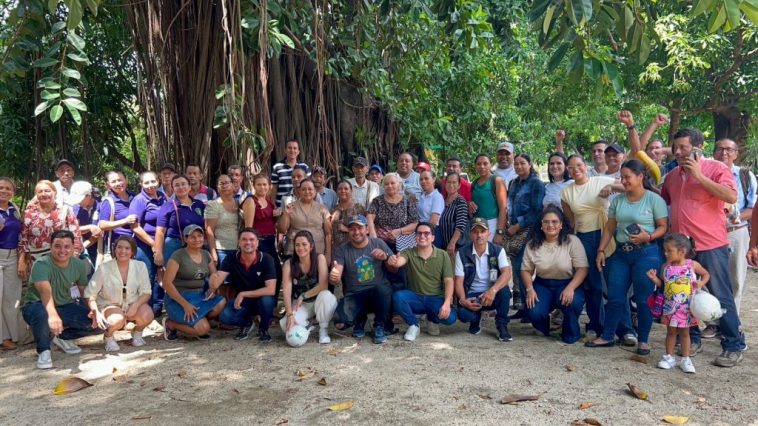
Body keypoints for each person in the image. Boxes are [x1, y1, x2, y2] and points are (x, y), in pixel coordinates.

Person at [661, 127, 746, 367]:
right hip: (681, 249)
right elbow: (664, 198)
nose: (677, 152)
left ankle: (733, 344)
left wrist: (699, 175)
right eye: (675, 147)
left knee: (721, 295)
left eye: (683, 148)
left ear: (697, 148)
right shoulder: (672, 176)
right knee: (683, 294)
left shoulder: (717, 169)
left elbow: (730, 197)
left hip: (711, 244)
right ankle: (692, 339)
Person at [587, 160, 668, 355]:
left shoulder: (654, 199)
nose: (623, 181)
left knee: (643, 299)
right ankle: (607, 335)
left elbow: (663, 227)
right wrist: (601, 250)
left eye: (627, 177)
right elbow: (610, 228)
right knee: (615, 296)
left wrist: (647, 236)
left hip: (647, 253)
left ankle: (644, 340)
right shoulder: (618, 201)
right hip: (622, 253)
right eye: (621, 177)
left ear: (640, 177)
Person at [561, 155, 627, 340]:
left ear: (585, 166)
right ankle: (597, 325)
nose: (576, 170)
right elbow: (571, 220)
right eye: (571, 167)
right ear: (568, 169)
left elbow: (629, 186)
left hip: (606, 232)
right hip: (584, 237)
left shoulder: (601, 180)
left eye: (579, 165)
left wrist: (611, 186)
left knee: (615, 282)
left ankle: (625, 329)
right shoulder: (566, 192)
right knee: (593, 285)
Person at [21, 230, 100, 369]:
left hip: (64, 305)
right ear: (50, 246)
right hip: (37, 305)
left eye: (67, 246)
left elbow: (83, 290)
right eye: (57, 246)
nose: (62, 250)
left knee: (97, 324)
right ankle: (44, 350)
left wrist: (93, 310)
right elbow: (45, 291)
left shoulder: (79, 264)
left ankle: (61, 337)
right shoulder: (41, 264)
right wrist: (53, 316)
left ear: (73, 247)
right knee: (43, 315)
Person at [521, 207, 588, 344]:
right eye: (546, 222)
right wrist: (530, 289)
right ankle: (543, 325)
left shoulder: (572, 241)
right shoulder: (532, 244)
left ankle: (569, 330)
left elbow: (582, 269)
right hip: (543, 284)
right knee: (533, 310)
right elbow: (526, 270)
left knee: (572, 302)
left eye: (554, 221)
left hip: (567, 283)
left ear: (561, 224)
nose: (550, 225)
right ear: (541, 225)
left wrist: (570, 288)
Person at [647, 234, 710, 373]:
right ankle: (668, 357)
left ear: (682, 251)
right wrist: (654, 279)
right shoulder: (665, 267)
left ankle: (686, 359)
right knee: (670, 332)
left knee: (685, 333)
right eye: (665, 250)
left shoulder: (692, 265)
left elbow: (706, 274)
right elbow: (664, 286)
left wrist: (700, 283)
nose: (666, 253)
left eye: (669, 250)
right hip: (670, 308)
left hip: (686, 308)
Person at [329, 214, 394, 344]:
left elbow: (394, 269)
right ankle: (360, 319)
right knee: (339, 324)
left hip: (377, 292)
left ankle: (379, 325)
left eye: (360, 228)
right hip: (356, 294)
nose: (356, 232)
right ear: (348, 231)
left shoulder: (378, 243)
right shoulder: (342, 249)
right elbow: (337, 272)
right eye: (352, 229)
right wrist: (335, 277)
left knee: (383, 289)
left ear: (367, 229)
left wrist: (386, 258)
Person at [387, 222, 457, 341]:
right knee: (398, 297)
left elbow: (449, 281)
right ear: (415, 237)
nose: (422, 236)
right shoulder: (408, 252)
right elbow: (399, 262)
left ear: (433, 238)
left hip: (435, 298)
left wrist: (446, 302)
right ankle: (414, 325)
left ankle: (432, 319)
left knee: (450, 318)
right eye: (419, 233)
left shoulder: (443, 255)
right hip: (415, 297)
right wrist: (393, 260)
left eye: (426, 233)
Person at [84, 236, 154, 351]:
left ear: (132, 252)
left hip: (132, 303)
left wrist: (135, 305)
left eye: (127, 248)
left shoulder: (140, 266)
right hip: (109, 305)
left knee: (147, 315)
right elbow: (90, 294)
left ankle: (137, 332)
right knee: (116, 319)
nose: (123, 251)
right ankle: (108, 337)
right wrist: (95, 312)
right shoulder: (103, 268)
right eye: (119, 247)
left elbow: (146, 292)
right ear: (114, 250)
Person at [713, 138, 755, 318]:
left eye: (729, 150)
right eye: (720, 149)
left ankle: (732, 321)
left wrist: (734, 218)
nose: (724, 153)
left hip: (737, 233)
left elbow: (753, 209)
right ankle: (713, 322)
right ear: (714, 152)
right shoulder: (706, 174)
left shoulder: (746, 175)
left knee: (736, 279)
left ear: (736, 154)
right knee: (712, 278)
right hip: (710, 233)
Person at [161, 225, 226, 340]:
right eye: (192, 237)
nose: (197, 240)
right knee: (203, 330)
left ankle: (197, 320)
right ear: (185, 239)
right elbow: (167, 283)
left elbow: (214, 275)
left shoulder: (206, 254)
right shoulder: (178, 255)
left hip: (199, 295)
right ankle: (171, 324)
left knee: (221, 302)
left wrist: (212, 289)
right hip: (179, 298)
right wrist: (185, 304)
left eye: (200, 236)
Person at [212, 228, 277, 342]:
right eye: (244, 239)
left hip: (261, 298)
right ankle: (247, 323)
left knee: (267, 301)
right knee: (225, 317)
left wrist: (243, 293)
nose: (248, 243)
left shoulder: (266, 259)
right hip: (243, 301)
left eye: (252, 240)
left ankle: (263, 329)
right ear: (239, 242)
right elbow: (217, 280)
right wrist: (213, 278)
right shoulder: (232, 258)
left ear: (257, 243)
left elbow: (271, 289)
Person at [454, 218, 513, 341]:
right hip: (473, 294)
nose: (479, 235)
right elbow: (459, 280)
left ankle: (501, 324)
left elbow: (506, 273)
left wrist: (493, 290)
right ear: (470, 234)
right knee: (463, 314)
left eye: (482, 231)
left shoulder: (497, 250)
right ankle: (475, 320)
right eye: (475, 232)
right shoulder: (462, 252)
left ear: (488, 234)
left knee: (505, 291)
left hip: (492, 293)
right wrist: (463, 299)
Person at [18, 180, 83, 282]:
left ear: (55, 193)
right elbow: (23, 238)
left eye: (47, 191)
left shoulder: (64, 211)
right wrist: (22, 260)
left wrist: (73, 259)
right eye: (40, 191)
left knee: (60, 292)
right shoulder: (29, 213)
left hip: (62, 258)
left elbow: (76, 237)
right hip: (36, 260)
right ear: (36, 195)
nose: (44, 194)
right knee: (39, 293)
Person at [280, 230, 337, 345]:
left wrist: (303, 295)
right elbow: (286, 291)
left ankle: (323, 330)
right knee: (286, 325)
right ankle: (307, 325)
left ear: (311, 246)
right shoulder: (289, 264)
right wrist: (290, 313)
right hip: (301, 304)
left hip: (318, 300)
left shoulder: (319, 258)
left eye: (304, 244)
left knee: (326, 295)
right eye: (297, 245)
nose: (300, 248)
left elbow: (323, 286)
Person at [506, 154, 545, 313]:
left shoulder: (536, 183)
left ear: (530, 164)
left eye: (522, 163)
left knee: (521, 266)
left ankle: (530, 307)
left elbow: (537, 210)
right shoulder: (513, 183)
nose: (519, 166)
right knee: (517, 268)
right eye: (516, 164)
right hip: (513, 229)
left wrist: (518, 225)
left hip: (529, 229)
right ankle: (524, 308)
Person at [129, 171, 166, 314]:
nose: (150, 185)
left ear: (158, 181)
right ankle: (144, 311)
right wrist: (153, 244)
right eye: (146, 182)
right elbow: (135, 227)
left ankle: (156, 309)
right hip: (144, 245)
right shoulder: (139, 200)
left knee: (161, 277)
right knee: (147, 278)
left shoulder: (162, 198)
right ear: (141, 184)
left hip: (161, 242)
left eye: (153, 181)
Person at [154, 175, 206, 272]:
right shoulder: (167, 207)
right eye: (177, 185)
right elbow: (160, 232)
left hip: (196, 244)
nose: (181, 187)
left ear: (189, 186)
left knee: (194, 274)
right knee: (172, 276)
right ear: (173, 189)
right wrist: (158, 253)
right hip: (175, 245)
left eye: (183, 184)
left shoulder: (199, 204)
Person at [278, 178, 333, 262]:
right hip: (294, 251)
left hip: (317, 252)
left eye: (310, 189)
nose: (307, 192)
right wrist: (286, 214)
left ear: (315, 191)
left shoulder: (322, 209)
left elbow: (328, 234)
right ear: (299, 191)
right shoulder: (291, 207)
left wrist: (328, 254)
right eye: (304, 189)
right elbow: (282, 229)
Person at [367, 173, 419, 253]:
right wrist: (374, 237)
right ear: (383, 186)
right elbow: (370, 217)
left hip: (403, 243)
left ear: (399, 185)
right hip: (381, 242)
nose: (390, 186)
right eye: (386, 184)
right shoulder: (377, 201)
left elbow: (415, 223)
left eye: (392, 183)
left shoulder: (408, 202)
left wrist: (399, 231)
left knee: (400, 263)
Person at [0, 177, 22, 350]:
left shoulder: (14, 209)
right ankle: (3, 338)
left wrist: (23, 258)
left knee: (12, 298)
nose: (4, 191)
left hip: (13, 255)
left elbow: (21, 233)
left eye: (8, 188)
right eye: (1, 188)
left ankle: (13, 335)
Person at [97, 170, 137, 262]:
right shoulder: (109, 202)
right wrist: (125, 221)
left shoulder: (135, 197)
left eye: (120, 180)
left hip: (136, 244)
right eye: (113, 182)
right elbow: (102, 225)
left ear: (126, 180)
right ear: (107, 185)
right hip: (119, 246)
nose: (118, 183)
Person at [247, 174, 281, 280]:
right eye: (259, 185)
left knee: (277, 272)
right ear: (254, 186)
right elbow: (248, 227)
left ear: (269, 186)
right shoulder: (251, 201)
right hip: (258, 242)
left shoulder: (269, 202)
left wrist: (277, 216)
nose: (262, 187)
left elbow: (271, 223)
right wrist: (252, 246)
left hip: (270, 242)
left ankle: (272, 296)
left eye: (265, 184)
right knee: (261, 273)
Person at [470, 154, 507, 245]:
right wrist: (469, 203)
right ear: (475, 166)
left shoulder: (497, 181)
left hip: (493, 224)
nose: (482, 166)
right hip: (477, 225)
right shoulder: (474, 183)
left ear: (491, 164)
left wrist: (499, 232)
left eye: (485, 163)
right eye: (479, 164)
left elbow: (503, 209)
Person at [205, 175, 241, 267]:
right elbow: (209, 231)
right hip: (221, 250)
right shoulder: (213, 205)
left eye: (227, 183)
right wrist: (213, 253)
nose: (224, 186)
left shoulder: (240, 203)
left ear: (233, 185)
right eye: (221, 183)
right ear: (217, 187)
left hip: (240, 249)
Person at [66, 181, 101, 267]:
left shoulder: (101, 206)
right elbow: (75, 229)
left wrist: (82, 247)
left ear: (89, 196)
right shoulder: (76, 208)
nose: (78, 202)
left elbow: (100, 232)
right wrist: (89, 227)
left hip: (100, 248)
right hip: (84, 248)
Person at [271, 139, 310, 207]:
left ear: (298, 151)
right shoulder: (277, 167)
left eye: (295, 148)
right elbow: (274, 189)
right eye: (289, 148)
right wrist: (274, 206)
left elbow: (309, 186)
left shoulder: (304, 167)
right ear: (285, 150)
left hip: (302, 205)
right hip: (282, 206)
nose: (292, 150)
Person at [439, 172, 469, 259]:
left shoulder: (460, 201)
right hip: (443, 246)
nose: (451, 184)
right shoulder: (443, 200)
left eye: (454, 182)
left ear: (459, 185)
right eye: (448, 182)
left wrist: (452, 243)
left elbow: (460, 225)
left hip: (455, 247)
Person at [330, 180, 367, 250]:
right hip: (337, 250)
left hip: (355, 249)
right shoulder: (333, 210)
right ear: (337, 192)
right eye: (340, 189)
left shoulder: (358, 208)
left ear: (351, 191)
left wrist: (347, 229)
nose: (343, 191)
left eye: (346, 189)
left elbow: (365, 230)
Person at [417, 170, 444, 238]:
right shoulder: (422, 196)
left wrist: (424, 235)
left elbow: (433, 221)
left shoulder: (437, 197)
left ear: (434, 179)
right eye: (421, 179)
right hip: (420, 229)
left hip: (431, 232)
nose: (423, 181)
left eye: (426, 178)